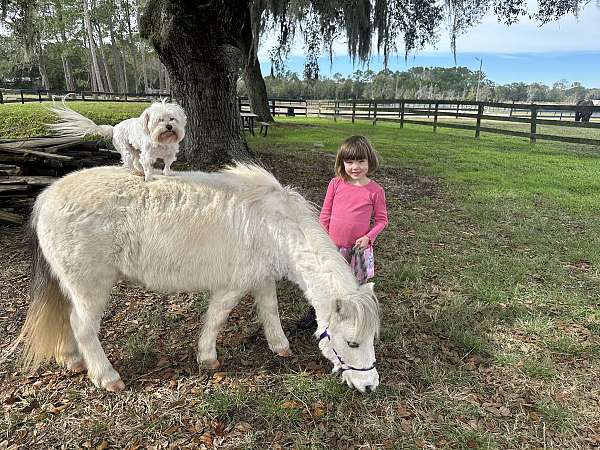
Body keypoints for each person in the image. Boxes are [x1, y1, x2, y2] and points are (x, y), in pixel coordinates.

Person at [298, 135, 388, 329]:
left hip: (356, 250)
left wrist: (368, 237)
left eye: (361, 161)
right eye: (349, 162)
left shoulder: (375, 191)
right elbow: (325, 214)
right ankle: (316, 312)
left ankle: (347, 315)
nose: (355, 167)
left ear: (369, 161)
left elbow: (382, 221)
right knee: (325, 281)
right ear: (342, 163)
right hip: (332, 247)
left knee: (352, 285)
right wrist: (321, 240)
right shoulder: (336, 183)